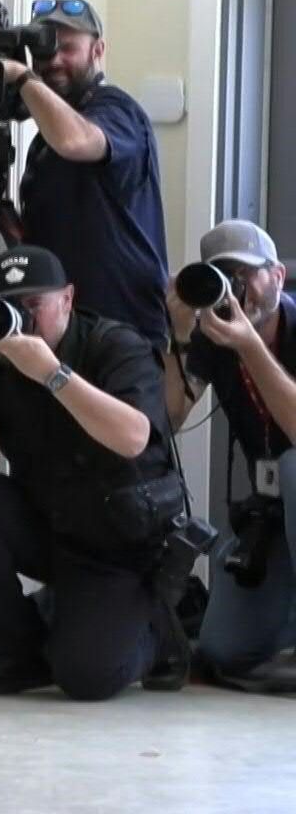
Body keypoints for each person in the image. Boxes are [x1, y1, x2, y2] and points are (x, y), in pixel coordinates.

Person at [0, 245, 184, 700]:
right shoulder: (0, 363)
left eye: (35, 304)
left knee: (86, 678)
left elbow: (133, 437)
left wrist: (53, 374)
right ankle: (19, 656)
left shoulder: (115, 345)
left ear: (68, 299)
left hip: (122, 543)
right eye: (11, 306)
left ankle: (161, 624)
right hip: (56, 528)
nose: (24, 319)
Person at [162, 220, 296, 688]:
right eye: (224, 277)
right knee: (225, 650)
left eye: (247, 274)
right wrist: (179, 335)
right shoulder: (213, 338)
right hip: (274, 517)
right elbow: (170, 420)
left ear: (278, 275)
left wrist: (250, 346)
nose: (239, 291)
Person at [1, 0, 171, 349]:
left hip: (122, 324)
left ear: (98, 50)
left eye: (68, 48)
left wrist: (21, 77)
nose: (54, 61)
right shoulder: (42, 141)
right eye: (45, 51)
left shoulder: (117, 109)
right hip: (64, 324)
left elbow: (76, 141)